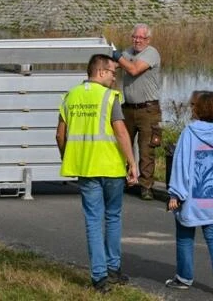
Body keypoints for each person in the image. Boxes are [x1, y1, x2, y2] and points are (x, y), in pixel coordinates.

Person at [56, 54, 139, 294]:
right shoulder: (109, 97)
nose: (115, 77)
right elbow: (121, 133)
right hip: (111, 167)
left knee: (93, 220)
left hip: (85, 168)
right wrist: (132, 163)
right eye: (113, 72)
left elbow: (60, 135)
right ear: (100, 72)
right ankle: (113, 269)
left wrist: (67, 156)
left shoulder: (70, 96)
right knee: (113, 217)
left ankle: (99, 277)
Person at [165, 90, 213, 296]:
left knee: (185, 237)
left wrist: (175, 194)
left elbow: (180, 165)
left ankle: (184, 277)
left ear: (197, 110)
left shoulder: (189, 133)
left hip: (191, 199)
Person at [111, 23, 162, 200]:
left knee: (146, 148)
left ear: (148, 39)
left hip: (148, 109)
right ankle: (126, 180)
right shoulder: (127, 53)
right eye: (135, 37)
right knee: (124, 146)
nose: (137, 40)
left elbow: (133, 70)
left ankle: (146, 186)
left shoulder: (151, 53)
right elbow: (115, 65)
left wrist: (118, 58)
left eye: (141, 38)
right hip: (129, 107)